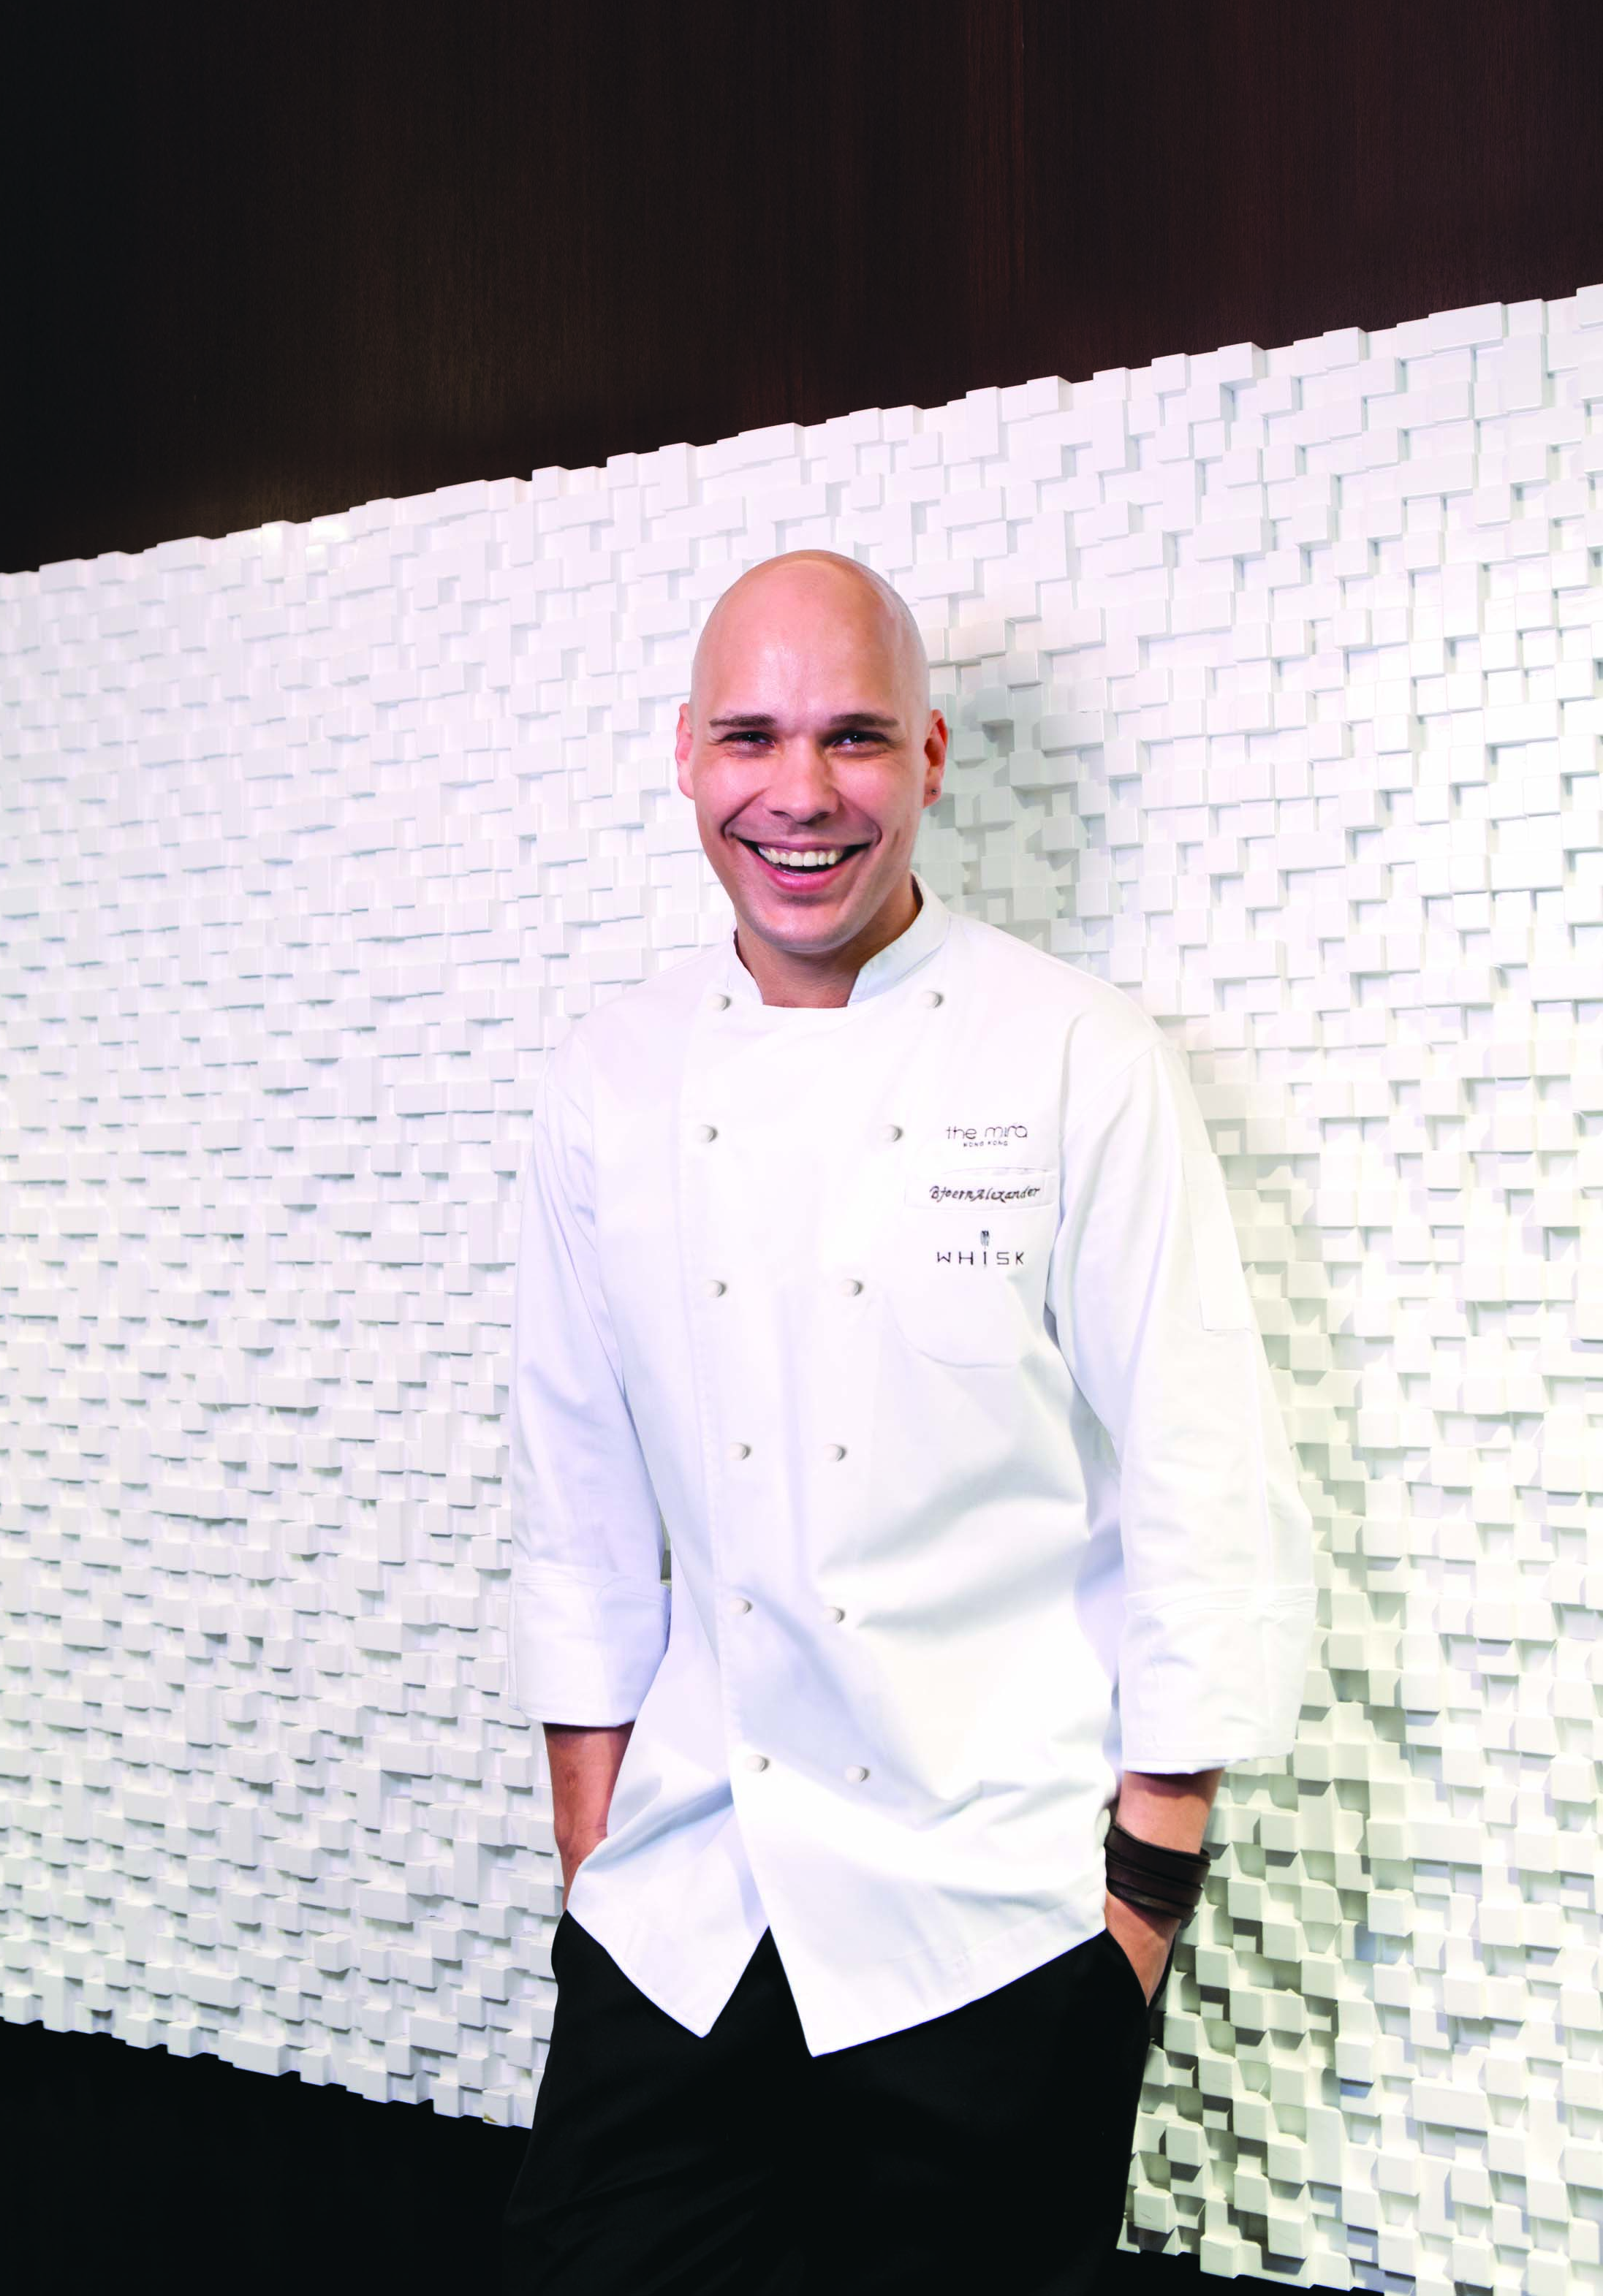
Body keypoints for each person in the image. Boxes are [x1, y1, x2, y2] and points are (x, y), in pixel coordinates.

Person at [501, 550, 1316, 2293]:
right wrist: (591, 1866)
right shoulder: (607, 1079)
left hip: (991, 1931)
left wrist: (1133, 1924)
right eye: (751, 737)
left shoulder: (1075, 1056)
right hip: (684, 1916)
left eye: (853, 737)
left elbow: (1204, 1487)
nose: (799, 793)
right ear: (683, 753)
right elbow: (579, 1509)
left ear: (929, 755)